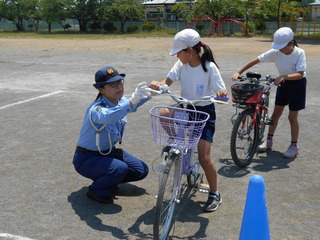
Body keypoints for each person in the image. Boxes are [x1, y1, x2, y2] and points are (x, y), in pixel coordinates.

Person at [150, 29, 228, 212]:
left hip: (204, 113)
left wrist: (222, 94)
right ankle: (175, 141)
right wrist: (158, 84)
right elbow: (166, 82)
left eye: (179, 51)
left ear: (190, 51)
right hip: (186, 107)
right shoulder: (180, 65)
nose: (177, 55)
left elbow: (221, 92)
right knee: (164, 113)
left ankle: (214, 193)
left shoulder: (209, 67)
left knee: (204, 157)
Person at [73, 66, 154, 204]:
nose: (119, 87)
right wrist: (132, 101)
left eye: (120, 82)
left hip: (108, 153)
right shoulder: (96, 109)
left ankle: (108, 179)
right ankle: (97, 190)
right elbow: (110, 116)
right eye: (112, 84)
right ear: (101, 89)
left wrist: (153, 91)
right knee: (119, 168)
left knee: (141, 170)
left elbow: (133, 103)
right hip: (87, 158)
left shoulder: (119, 101)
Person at [231, 27, 307, 159]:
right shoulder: (276, 52)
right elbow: (256, 60)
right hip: (283, 83)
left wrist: (284, 76)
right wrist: (239, 71)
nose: (279, 49)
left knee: (292, 117)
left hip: (297, 85)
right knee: (275, 114)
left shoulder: (299, 53)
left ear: (291, 43)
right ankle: (269, 140)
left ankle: (294, 146)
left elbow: (300, 74)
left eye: (282, 46)